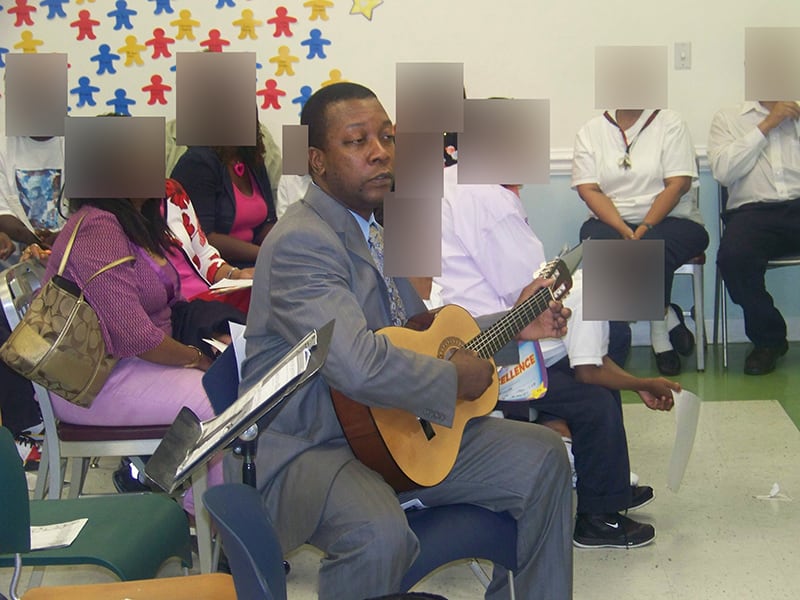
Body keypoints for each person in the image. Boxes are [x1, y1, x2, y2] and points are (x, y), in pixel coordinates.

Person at [228, 83, 573, 600]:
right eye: (357, 141)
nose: (379, 151)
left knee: (546, 457)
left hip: (393, 431)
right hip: (316, 448)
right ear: (317, 161)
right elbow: (358, 365)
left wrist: (517, 325)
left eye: (386, 136)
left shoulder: (375, 228)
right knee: (377, 534)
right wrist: (456, 376)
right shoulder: (303, 240)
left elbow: (423, 333)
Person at [435, 161, 680, 549]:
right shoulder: (484, 195)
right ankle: (598, 515)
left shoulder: (443, 187)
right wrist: (643, 383)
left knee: (596, 356)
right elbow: (530, 295)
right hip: (486, 346)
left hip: (464, 333)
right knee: (593, 388)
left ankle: (606, 483)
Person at [40, 194, 224, 513]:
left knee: (232, 376)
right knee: (218, 399)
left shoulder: (133, 222)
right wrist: (196, 358)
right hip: (92, 384)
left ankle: (203, 502)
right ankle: (213, 517)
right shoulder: (98, 228)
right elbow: (137, 337)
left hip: (127, 366)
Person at [572, 108, 709, 376]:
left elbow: (678, 184)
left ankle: (660, 336)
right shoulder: (591, 130)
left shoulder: (671, 123)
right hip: (610, 221)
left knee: (651, 247)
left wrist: (645, 226)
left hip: (672, 219)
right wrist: (623, 228)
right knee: (606, 247)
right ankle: (665, 318)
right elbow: (588, 189)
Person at [708, 100, 800, 375]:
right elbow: (723, 173)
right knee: (733, 259)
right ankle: (769, 339)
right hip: (753, 212)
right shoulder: (728, 117)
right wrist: (767, 125)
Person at [170, 124, 278, 268]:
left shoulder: (251, 158)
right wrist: (266, 254)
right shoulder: (198, 161)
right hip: (214, 270)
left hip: (255, 264)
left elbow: (268, 224)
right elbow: (205, 238)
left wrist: (284, 248)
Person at [0, 135, 65, 252]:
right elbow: (2, 212)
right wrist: (32, 239)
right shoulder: (3, 146)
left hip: (68, 256)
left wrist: (62, 237)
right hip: (17, 260)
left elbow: (89, 211)